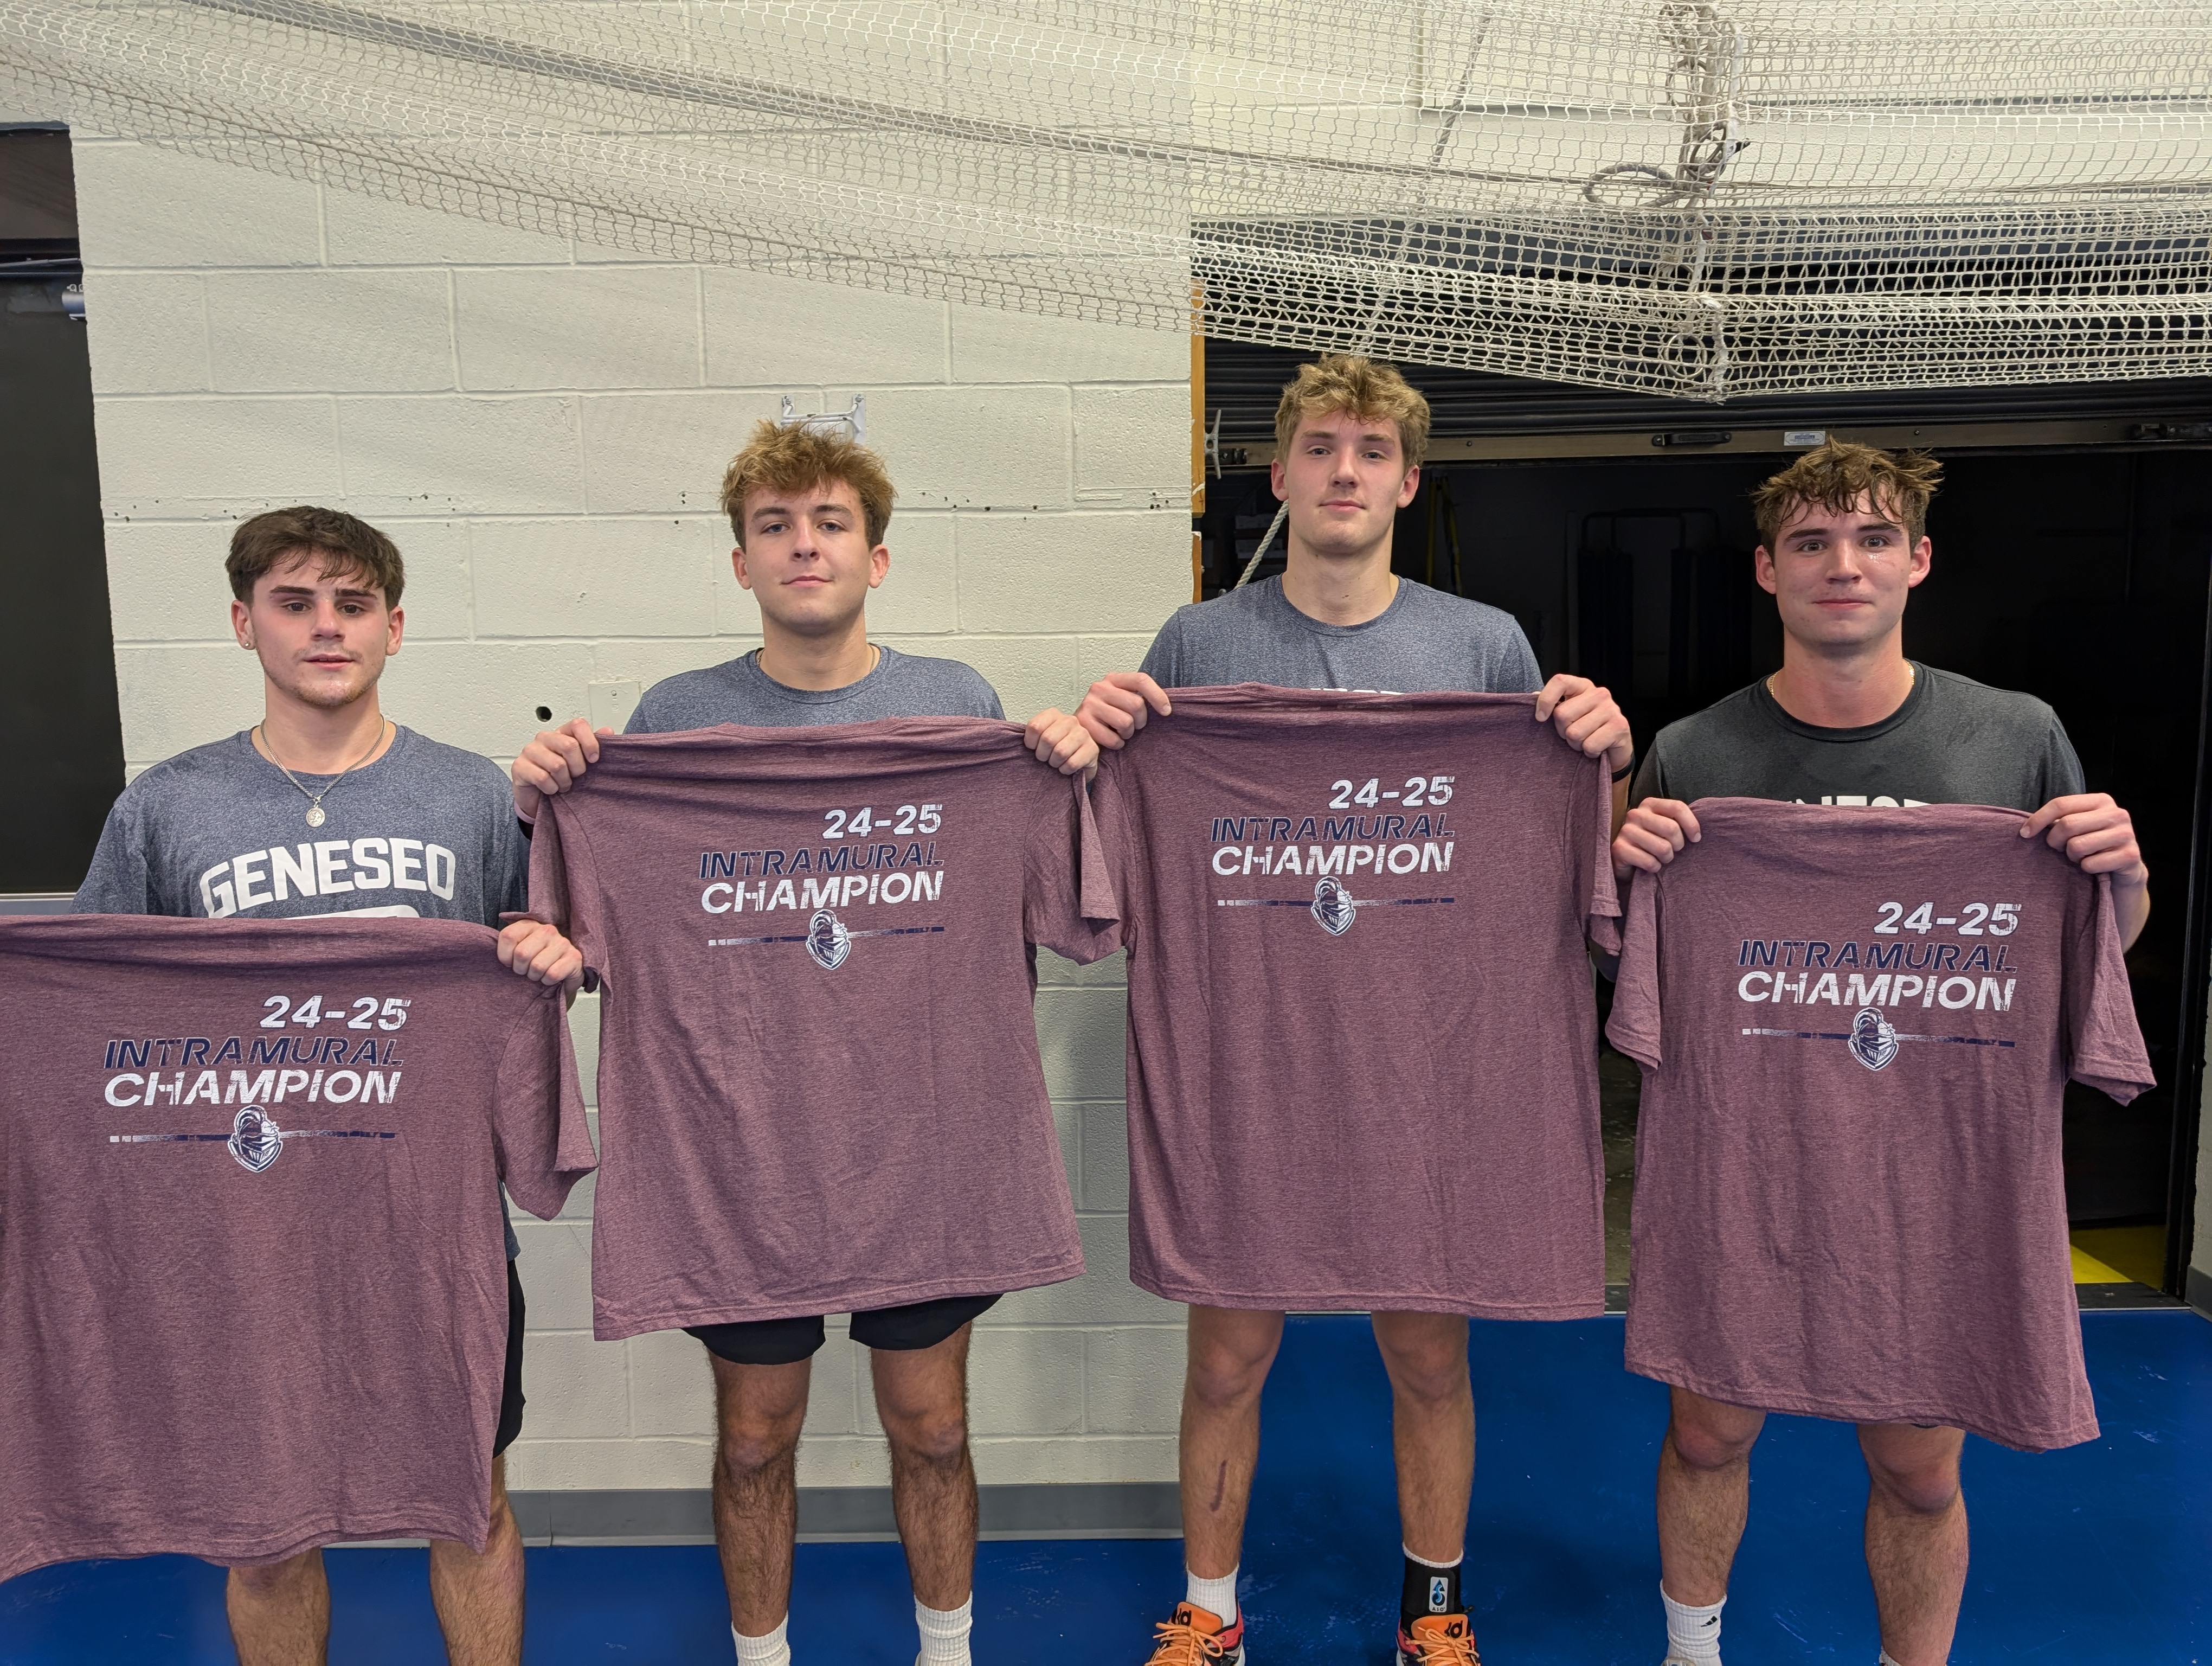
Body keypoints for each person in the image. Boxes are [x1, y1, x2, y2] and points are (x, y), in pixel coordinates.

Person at [1070, 354, 1634, 1666]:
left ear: (1407, 481)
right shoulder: (1199, 645)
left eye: (1371, 452)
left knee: (1429, 1359)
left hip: (1422, 1064)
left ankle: (1433, 1609)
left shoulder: (1484, 643)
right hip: (1250, 1062)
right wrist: (1095, 743)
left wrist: (1603, 753)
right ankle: (1209, 1613)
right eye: (1320, 447)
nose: (1343, 471)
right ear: (1280, 475)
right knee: (1227, 1359)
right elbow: (1124, 836)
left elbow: (1553, 854)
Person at [510, 419, 1095, 1666]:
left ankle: (949, 1651)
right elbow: (584, 930)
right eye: (775, 527)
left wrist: (1057, 770)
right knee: (753, 1438)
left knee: (932, 1423)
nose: (804, 546)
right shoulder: (674, 722)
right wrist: (560, 791)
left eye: (830, 524)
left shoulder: (958, 707)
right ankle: (762, 1656)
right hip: (743, 1152)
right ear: (741, 564)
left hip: (928, 1141)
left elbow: (1065, 907)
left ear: (876, 557)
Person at [1610, 440, 2149, 1666]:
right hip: (1745, 1157)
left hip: (1935, 1167)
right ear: (1767, 571)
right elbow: (1622, 967)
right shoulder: (1695, 755)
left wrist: (2122, 875)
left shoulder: (2015, 737)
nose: (1839, 565)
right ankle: (1690, 1652)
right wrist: (1623, 873)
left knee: (1917, 1462)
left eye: (1867, 539)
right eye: (1810, 543)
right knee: (1709, 1432)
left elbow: (2096, 946)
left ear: (1916, 560)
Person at [74, 505, 581, 1666]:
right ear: (244, 621)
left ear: (395, 628)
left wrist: (555, 952)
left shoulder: (473, 795)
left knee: (468, 1500)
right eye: (296, 603)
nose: (325, 627)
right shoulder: (167, 806)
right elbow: (97, 1004)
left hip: (437, 1222)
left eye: (353, 604)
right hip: (240, 1233)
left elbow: (544, 946)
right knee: (262, 1534)